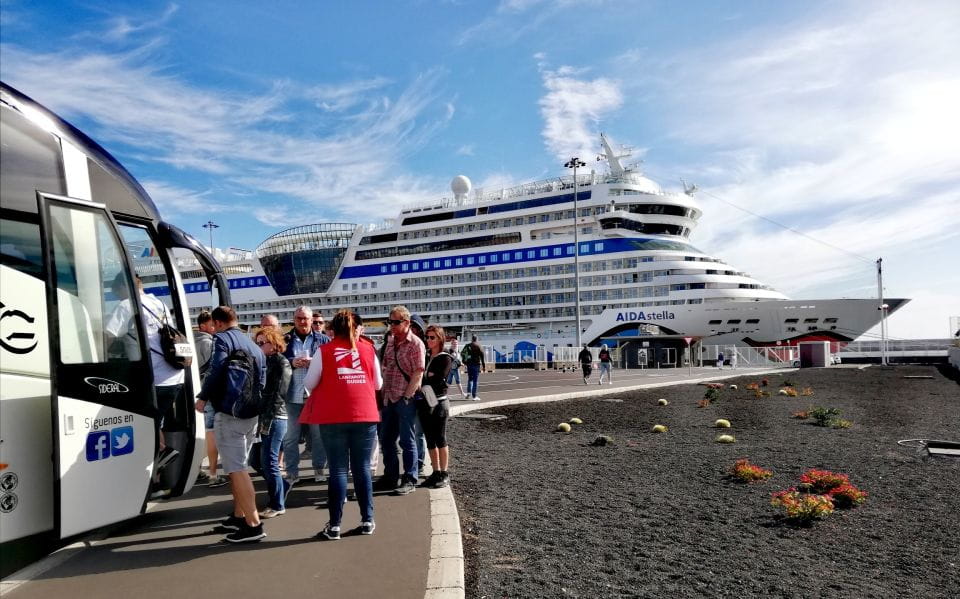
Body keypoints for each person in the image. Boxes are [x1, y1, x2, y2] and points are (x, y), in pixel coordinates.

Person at [301, 310, 383, 540]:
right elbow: (378, 384)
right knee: (362, 468)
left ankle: (335, 525)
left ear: (333, 329)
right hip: (365, 414)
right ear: (356, 328)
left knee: (337, 469)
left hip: (333, 416)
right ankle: (367, 521)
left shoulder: (324, 350)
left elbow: (309, 382)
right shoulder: (368, 349)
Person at [105, 274, 183, 494]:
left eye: (116, 292)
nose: (117, 296)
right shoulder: (159, 304)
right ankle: (155, 483)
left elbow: (108, 336)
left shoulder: (126, 304)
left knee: (143, 427)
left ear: (123, 286)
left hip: (152, 378)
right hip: (173, 376)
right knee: (154, 423)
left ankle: (162, 452)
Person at [195, 306, 266, 543]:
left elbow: (216, 370)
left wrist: (203, 397)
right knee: (240, 465)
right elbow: (262, 379)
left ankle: (253, 525)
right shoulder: (253, 344)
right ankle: (239, 515)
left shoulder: (222, 340)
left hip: (229, 412)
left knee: (236, 469)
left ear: (217, 323)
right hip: (251, 412)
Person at [374, 305, 425, 495]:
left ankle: (410, 478)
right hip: (388, 397)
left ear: (407, 322)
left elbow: (418, 373)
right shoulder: (390, 342)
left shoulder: (416, 344)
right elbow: (385, 365)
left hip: (405, 399)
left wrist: (406, 397)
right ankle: (390, 476)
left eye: (396, 322)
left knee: (407, 440)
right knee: (386, 439)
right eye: (390, 322)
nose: (392, 326)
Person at [281, 306, 330, 486]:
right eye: (299, 318)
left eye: (305, 318)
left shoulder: (323, 339)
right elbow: (276, 362)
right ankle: (292, 473)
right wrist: (291, 362)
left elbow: (331, 364)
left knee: (318, 436)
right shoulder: (285, 339)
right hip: (291, 394)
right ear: (293, 319)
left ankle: (319, 468)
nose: (302, 322)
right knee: (290, 437)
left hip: (316, 395)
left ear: (311, 320)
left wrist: (315, 363)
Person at [254, 327, 292, 518]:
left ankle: (277, 504)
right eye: (257, 343)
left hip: (275, 417)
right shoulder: (265, 361)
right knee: (256, 460)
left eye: (263, 343)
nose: (259, 346)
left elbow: (279, 393)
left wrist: (266, 418)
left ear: (274, 343)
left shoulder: (281, 362)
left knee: (269, 461)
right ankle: (281, 486)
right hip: (265, 416)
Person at [419, 324, 454, 488]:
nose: (428, 340)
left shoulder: (445, 357)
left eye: (432, 337)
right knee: (430, 439)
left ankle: (444, 473)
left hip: (440, 402)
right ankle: (435, 471)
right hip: (425, 402)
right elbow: (422, 376)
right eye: (427, 337)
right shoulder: (426, 355)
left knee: (440, 437)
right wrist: (428, 376)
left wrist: (426, 377)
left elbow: (440, 379)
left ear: (440, 339)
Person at [195, 311, 227, 487]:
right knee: (211, 433)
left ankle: (197, 469)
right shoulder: (209, 343)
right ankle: (213, 474)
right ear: (203, 326)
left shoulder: (191, 341)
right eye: (211, 324)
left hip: (195, 392)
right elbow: (215, 370)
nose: (215, 327)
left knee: (201, 432)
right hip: (208, 393)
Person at [463, 336, 485, 400]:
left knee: (470, 379)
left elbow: (463, 353)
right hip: (476, 365)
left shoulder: (467, 346)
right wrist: (484, 366)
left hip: (469, 365)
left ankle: (468, 394)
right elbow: (482, 357)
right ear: (477, 339)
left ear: (471, 339)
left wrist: (465, 362)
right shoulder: (479, 346)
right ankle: (474, 396)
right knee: (475, 380)